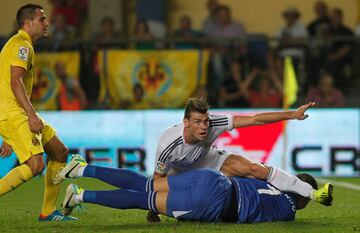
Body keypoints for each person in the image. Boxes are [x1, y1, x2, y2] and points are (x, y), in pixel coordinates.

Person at [147, 97, 332, 222]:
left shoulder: (214, 123)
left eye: (206, 121)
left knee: (254, 169)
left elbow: (255, 120)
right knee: (189, 207)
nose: (204, 127)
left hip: (208, 159)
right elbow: (157, 180)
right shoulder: (168, 144)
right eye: (198, 122)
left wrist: (291, 114)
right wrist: (153, 208)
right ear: (186, 122)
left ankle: (311, 193)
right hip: (180, 173)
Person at [54, 155, 330, 223]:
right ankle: (80, 196)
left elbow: (260, 175)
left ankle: (81, 169)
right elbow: (295, 198)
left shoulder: (272, 181)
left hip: (214, 179)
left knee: (144, 183)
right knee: (144, 200)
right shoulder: (289, 211)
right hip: (213, 204)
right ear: (304, 199)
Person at [0, 4, 77, 221]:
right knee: (35, 165)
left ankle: (48, 212)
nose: (47, 23)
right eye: (42, 19)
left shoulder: (20, 44)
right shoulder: (21, 46)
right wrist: (31, 115)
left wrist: (11, 136)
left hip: (15, 114)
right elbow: (15, 82)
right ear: (27, 23)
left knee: (60, 152)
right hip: (14, 113)